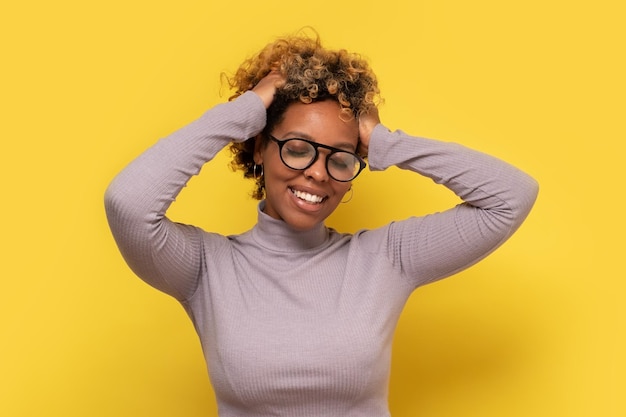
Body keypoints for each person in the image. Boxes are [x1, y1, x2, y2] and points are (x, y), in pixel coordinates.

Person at [105, 33, 539, 417]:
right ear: (259, 148)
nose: (318, 172)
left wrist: (386, 142)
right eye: (297, 149)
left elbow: (510, 197)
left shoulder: (386, 259)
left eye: (340, 157)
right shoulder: (204, 268)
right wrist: (243, 113)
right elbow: (129, 203)